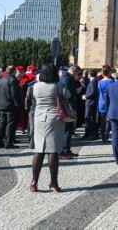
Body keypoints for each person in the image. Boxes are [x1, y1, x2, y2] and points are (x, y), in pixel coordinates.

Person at [31, 63, 69, 192]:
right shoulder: (57, 86)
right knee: (53, 150)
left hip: (39, 117)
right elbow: (68, 95)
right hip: (54, 117)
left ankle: (34, 181)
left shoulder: (36, 86)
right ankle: (53, 181)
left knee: (39, 150)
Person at [0, 66, 22, 149]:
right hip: (10, 105)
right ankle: (8, 142)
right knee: (10, 124)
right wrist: (17, 105)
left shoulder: (2, 79)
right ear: (14, 71)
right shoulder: (13, 80)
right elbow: (14, 93)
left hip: (2, 104)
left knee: (2, 123)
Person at [60, 65, 81, 159]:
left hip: (68, 106)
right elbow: (67, 93)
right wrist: (76, 92)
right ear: (73, 71)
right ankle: (64, 151)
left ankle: (67, 150)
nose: (77, 75)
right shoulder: (66, 78)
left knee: (69, 129)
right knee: (67, 130)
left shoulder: (68, 77)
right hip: (67, 107)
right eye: (77, 73)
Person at [98, 67, 114, 143]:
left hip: (101, 101)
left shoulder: (100, 82)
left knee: (102, 119)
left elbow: (98, 90)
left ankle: (103, 137)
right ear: (109, 73)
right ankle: (107, 136)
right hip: (110, 101)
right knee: (108, 120)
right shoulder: (112, 81)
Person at [83, 69, 99, 140]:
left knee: (88, 118)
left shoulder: (93, 81)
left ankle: (92, 134)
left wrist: (85, 96)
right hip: (92, 102)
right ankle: (89, 133)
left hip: (90, 102)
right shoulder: (95, 81)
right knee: (91, 118)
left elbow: (92, 92)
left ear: (89, 75)